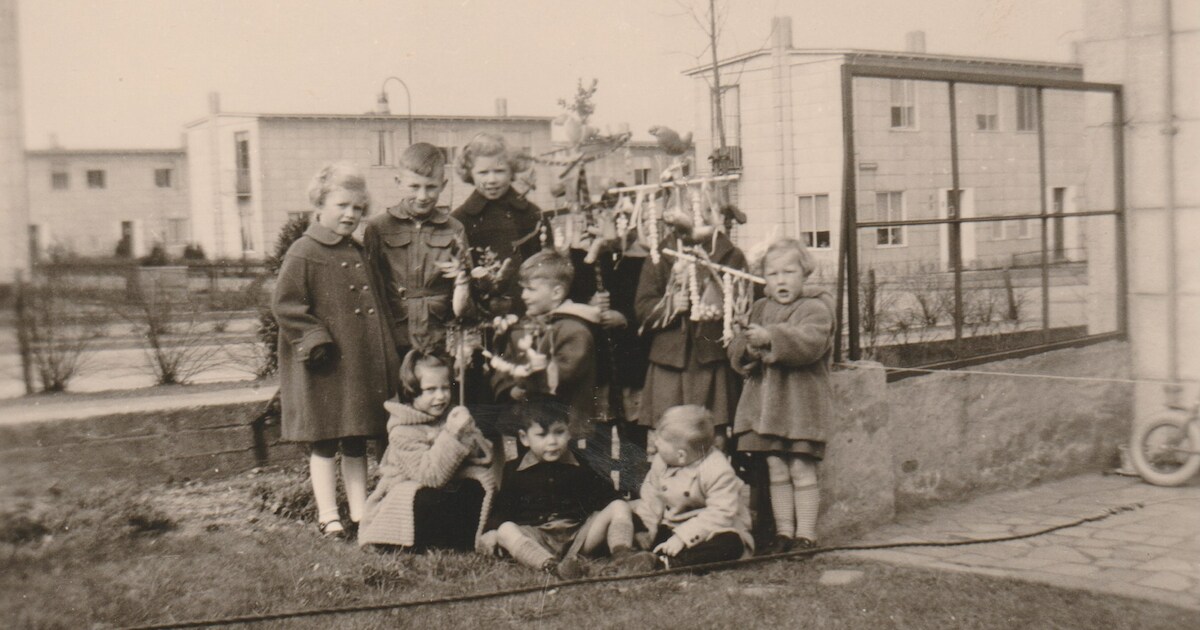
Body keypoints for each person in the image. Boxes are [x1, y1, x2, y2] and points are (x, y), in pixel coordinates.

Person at [272, 162, 399, 539]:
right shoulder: (304, 251)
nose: (350, 215)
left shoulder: (358, 251)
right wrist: (314, 340)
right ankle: (329, 515)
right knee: (325, 439)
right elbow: (286, 305)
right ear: (319, 204)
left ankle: (361, 513)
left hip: (357, 364)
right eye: (342, 205)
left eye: (358, 208)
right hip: (324, 364)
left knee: (356, 435)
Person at [729, 238, 835, 552]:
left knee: (801, 468)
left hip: (801, 406)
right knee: (776, 467)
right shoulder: (760, 308)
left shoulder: (816, 307)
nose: (781, 280)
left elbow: (810, 343)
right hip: (766, 409)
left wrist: (771, 337)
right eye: (773, 274)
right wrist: (747, 345)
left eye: (789, 272)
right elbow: (737, 352)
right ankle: (784, 533)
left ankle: (806, 536)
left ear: (805, 274)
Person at [479, 401, 654, 578]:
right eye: (542, 435)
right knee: (505, 530)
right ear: (524, 438)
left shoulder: (581, 464)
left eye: (559, 432)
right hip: (537, 539)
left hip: (578, 537)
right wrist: (491, 531)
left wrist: (637, 528)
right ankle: (551, 566)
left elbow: (609, 495)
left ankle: (622, 555)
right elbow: (502, 509)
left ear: (569, 432)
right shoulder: (514, 470)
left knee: (619, 506)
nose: (552, 442)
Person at [634, 194, 747, 451]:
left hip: (712, 359)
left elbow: (745, 304)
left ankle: (711, 488)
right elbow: (642, 309)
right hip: (669, 362)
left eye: (705, 211)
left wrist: (720, 301)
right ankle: (671, 490)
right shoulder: (659, 255)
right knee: (668, 439)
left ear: (716, 216)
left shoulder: (731, 256)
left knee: (714, 438)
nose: (697, 218)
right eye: (687, 211)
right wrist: (670, 307)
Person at [358, 351, 495, 551]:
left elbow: (484, 457)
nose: (441, 396)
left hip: (446, 489)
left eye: (445, 388)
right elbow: (431, 477)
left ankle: (458, 541)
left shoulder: (450, 416)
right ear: (411, 392)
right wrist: (452, 434)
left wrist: (469, 433)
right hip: (407, 497)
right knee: (425, 497)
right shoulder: (402, 431)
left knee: (477, 486)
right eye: (430, 390)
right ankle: (420, 543)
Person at [492, 251, 611, 474]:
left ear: (556, 292)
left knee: (572, 475)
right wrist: (509, 389)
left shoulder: (574, 329)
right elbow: (503, 366)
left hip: (566, 427)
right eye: (523, 289)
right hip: (531, 425)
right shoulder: (523, 328)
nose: (524, 296)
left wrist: (521, 382)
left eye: (531, 289)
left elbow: (563, 373)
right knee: (533, 474)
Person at [363, 142, 468, 356]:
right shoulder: (378, 228)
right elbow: (370, 288)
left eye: (431, 187)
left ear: (443, 184)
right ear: (398, 182)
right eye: (414, 186)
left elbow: (467, 293)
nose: (423, 196)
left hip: (440, 337)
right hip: (396, 336)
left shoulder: (454, 229)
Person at [633, 405, 754, 568]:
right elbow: (651, 498)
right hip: (673, 524)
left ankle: (671, 562)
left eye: (659, 442)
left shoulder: (717, 469)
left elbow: (721, 513)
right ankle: (649, 555)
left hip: (714, 528)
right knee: (650, 532)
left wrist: (683, 537)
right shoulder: (661, 461)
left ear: (681, 455)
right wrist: (646, 529)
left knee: (730, 544)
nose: (655, 445)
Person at [452, 132, 546, 319]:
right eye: (483, 172)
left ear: (512, 172)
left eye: (500, 171)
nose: (492, 180)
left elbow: (545, 268)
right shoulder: (459, 220)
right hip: (479, 317)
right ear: (470, 174)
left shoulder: (531, 215)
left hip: (527, 313)